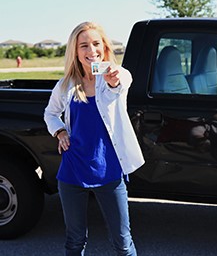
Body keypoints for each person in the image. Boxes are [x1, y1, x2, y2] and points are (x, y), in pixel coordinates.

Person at [44, 21, 145, 255]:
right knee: (74, 241)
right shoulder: (66, 85)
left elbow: (120, 84)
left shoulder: (117, 75)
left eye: (96, 43)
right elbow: (50, 113)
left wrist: (112, 79)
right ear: (75, 52)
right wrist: (59, 131)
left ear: (105, 47)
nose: (91, 51)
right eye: (84, 45)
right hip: (72, 172)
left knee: (122, 242)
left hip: (109, 171)